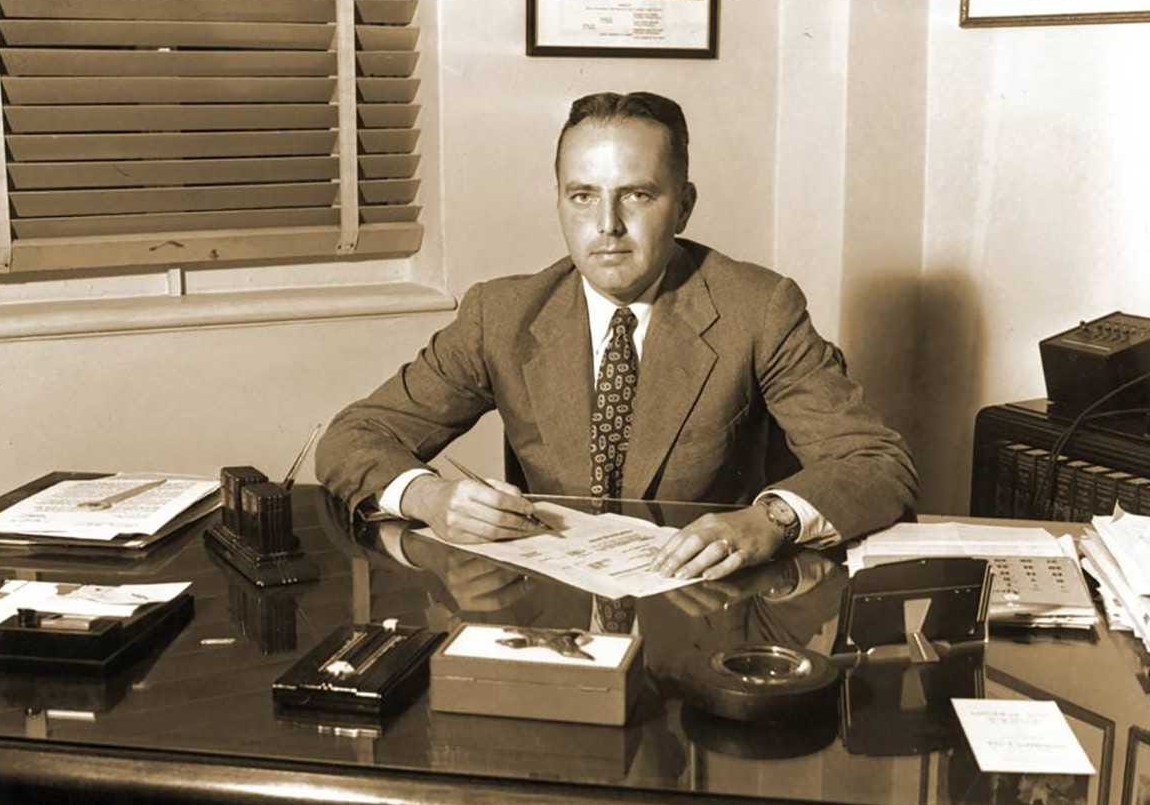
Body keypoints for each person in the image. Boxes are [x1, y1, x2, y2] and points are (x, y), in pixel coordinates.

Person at [316, 91, 918, 580]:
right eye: (582, 196)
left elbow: (875, 463)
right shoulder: (500, 314)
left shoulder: (759, 308)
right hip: (554, 612)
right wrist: (430, 499)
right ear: (559, 201)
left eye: (637, 195)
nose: (607, 225)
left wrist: (770, 520)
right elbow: (353, 436)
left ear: (683, 206)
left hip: (706, 614)